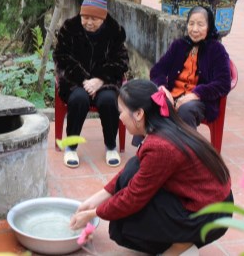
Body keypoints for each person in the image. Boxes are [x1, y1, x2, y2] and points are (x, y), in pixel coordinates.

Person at [69, 79, 233, 255]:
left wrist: (93, 214)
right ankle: (177, 237)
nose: (120, 118)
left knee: (126, 218)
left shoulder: (161, 146)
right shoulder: (164, 127)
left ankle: (182, 245)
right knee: (132, 168)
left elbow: (132, 197)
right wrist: (94, 200)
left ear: (139, 114)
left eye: (122, 112)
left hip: (211, 215)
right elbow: (132, 170)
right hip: (206, 201)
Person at [132, 6, 231, 147]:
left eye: (200, 24)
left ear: (209, 26)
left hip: (200, 101)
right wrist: (162, 88)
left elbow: (223, 83)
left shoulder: (217, 50)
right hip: (173, 95)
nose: (195, 29)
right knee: (149, 101)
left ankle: (186, 152)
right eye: (191, 24)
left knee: (186, 109)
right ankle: (145, 146)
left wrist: (196, 94)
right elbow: (157, 70)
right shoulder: (178, 45)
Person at [53, 0, 129, 168]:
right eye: (85, 17)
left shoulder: (114, 31)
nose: (88, 22)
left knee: (109, 100)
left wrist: (100, 79)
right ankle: (70, 147)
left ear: (103, 18)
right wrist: (84, 80)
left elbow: (121, 62)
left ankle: (111, 146)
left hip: (105, 82)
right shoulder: (69, 28)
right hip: (74, 82)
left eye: (94, 19)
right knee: (79, 99)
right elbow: (61, 57)